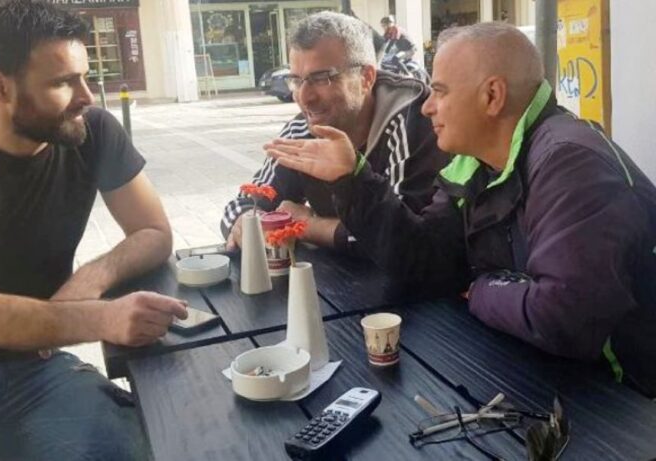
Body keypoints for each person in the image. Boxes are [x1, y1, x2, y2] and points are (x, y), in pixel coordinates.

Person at [267, 22, 656, 396]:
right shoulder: (473, 163)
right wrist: (352, 179)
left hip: (630, 396)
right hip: (548, 372)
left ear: (492, 96)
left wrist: (481, 288)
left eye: (439, 91)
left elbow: (565, 318)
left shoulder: (569, 162)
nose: (427, 108)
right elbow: (426, 262)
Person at [0, 0, 188, 458]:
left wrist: (89, 281)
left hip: (36, 368)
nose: (87, 96)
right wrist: (103, 317)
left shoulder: (93, 131)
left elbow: (152, 231)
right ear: (0, 87)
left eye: (86, 76)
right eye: (63, 82)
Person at [221, 11, 448, 256]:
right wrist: (244, 222)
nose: (304, 97)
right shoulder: (302, 130)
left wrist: (308, 225)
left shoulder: (411, 121)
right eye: (296, 80)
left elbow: (401, 239)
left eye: (321, 79)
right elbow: (246, 202)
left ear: (366, 78)